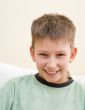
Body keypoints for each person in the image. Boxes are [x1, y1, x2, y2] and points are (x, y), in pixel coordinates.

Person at [0, 13, 84, 110]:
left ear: (72, 55)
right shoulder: (13, 89)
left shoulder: (82, 95)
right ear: (33, 53)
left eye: (60, 55)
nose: (52, 65)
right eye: (43, 55)